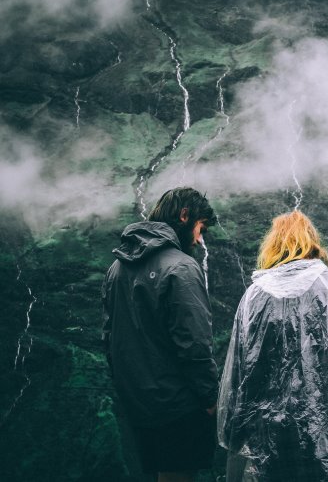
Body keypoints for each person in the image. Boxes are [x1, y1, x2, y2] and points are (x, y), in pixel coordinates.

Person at [218, 210, 328, 482]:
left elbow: (241, 371)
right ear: (312, 243)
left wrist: (232, 431)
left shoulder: (254, 296)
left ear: (272, 246)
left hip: (271, 433)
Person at [101, 187, 219, 482]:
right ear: (184, 216)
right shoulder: (181, 267)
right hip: (178, 402)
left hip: (138, 400)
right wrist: (210, 398)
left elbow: (109, 334)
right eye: (200, 228)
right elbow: (194, 345)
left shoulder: (116, 267)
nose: (198, 239)